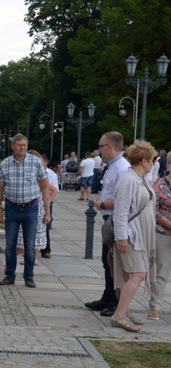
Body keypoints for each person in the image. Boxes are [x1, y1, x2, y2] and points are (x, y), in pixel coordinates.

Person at [110, 140, 156, 332]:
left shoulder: (139, 179)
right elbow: (120, 210)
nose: (153, 163)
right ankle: (119, 314)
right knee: (138, 274)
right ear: (144, 161)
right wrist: (121, 236)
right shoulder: (129, 180)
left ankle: (125, 310)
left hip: (137, 233)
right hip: (131, 234)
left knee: (130, 274)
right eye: (152, 160)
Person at [0, 134, 50, 289]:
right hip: (12, 207)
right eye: (19, 145)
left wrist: (47, 211)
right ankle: (10, 275)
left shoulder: (35, 162)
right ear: (13, 146)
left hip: (30, 207)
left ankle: (29, 276)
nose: (22, 148)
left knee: (30, 244)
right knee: (10, 244)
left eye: (24, 145)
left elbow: (44, 186)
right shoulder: (5, 164)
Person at [87, 131, 131, 317]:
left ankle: (116, 300)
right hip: (109, 219)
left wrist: (102, 204)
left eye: (101, 146)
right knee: (107, 262)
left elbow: (124, 199)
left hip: (117, 220)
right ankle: (107, 296)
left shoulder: (122, 168)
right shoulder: (112, 166)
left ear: (110, 147)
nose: (99, 150)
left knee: (115, 264)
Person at [149, 166, 171, 321]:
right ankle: (155, 307)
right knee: (161, 271)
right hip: (163, 233)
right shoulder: (159, 184)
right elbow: (154, 211)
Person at [40, 154, 59, 259]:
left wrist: (48, 201)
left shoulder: (51, 174)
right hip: (36, 201)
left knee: (45, 224)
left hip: (47, 200)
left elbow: (55, 190)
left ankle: (46, 249)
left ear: (46, 163)